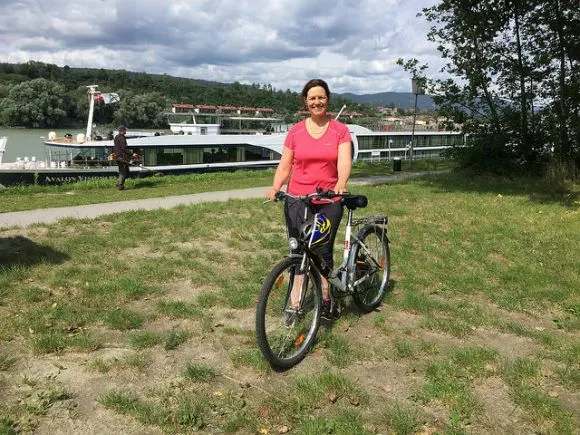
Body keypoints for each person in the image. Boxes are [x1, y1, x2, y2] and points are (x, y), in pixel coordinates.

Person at [267, 79, 352, 319]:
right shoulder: (295, 131)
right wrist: (276, 187)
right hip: (297, 198)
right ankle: (295, 304)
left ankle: (326, 298)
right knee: (297, 252)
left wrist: (340, 184)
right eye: (312, 98)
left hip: (328, 199)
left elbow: (344, 161)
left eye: (321, 97)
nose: (317, 102)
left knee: (322, 251)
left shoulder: (340, 131)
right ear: (305, 101)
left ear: (328, 100)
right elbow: (285, 165)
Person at [112, 125, 134, 190]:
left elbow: (117, 147)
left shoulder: (116, 137)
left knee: (123, 171)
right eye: (124, 130)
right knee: (124, 171)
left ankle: (118, 184)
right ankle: (120, 186)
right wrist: (132, 154)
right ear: (122, 131)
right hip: (122, 157)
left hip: (117, 156)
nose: (125, 131)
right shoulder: (122, 138)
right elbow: (124, 148)